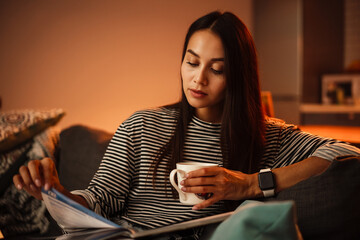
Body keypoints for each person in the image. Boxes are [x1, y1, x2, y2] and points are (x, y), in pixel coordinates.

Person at [13, 11, 360, 239]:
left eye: (217, 69)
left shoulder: (269, 136)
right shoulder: (142, 125)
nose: (198, 79)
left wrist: (252, 184)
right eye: (191, 62)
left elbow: (346, 153)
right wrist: (57, 194)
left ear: (238, 77)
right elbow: (100, 198)